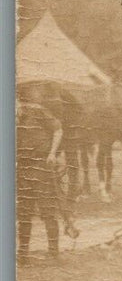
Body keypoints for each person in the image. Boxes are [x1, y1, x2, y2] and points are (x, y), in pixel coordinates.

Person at [17, 100, 65, 259]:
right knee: (23, 213)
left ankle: (53, 253)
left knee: (47, 211)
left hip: (41, 166)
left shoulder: (38, 111)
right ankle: (23, 254)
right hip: (21, 169)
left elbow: (58, 130)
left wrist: (52, 153)